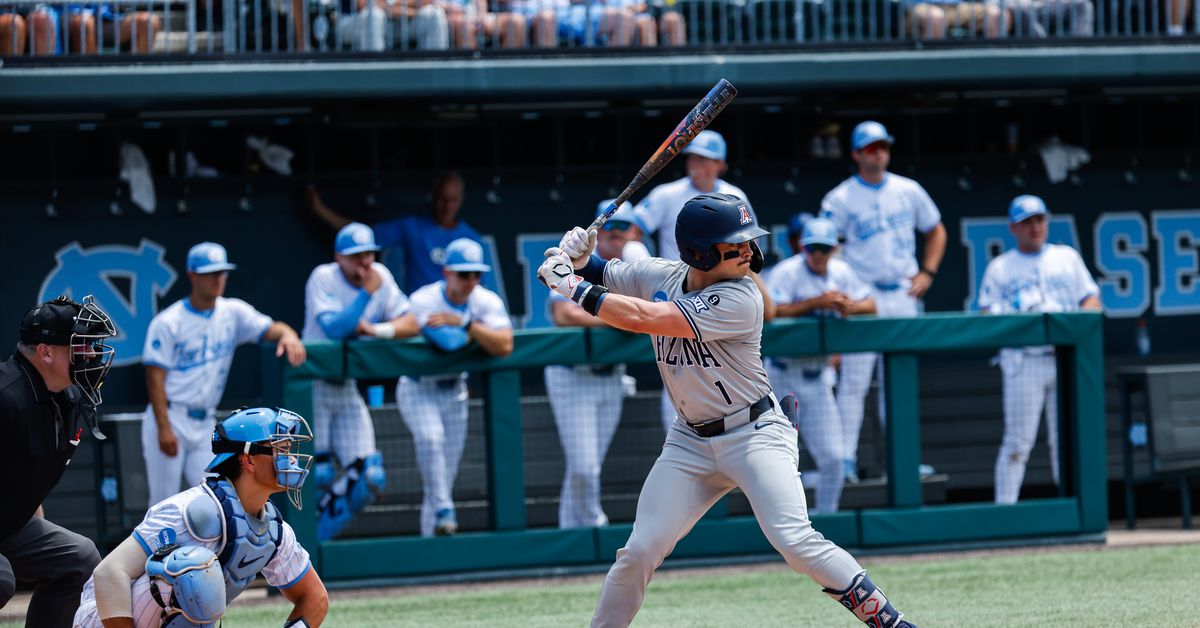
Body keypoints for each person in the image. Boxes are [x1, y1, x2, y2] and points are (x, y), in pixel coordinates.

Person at [540, 193, 916, 628]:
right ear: (699, 252)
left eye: (748, 241)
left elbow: (645, 318)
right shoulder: (658, 273)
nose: (748, 251)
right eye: (733, 244)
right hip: (690, 441)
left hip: (755, 433)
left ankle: (892, 623)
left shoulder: (743, 298)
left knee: (796, 542)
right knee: (639, 551)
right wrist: (582, 259)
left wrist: (572, 286)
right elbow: (604, 273)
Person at [74, 407, 330, 627]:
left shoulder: (274, 531)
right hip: (102, 619)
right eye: (281, 449)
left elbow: (314, 598)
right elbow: (108, 572)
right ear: (249, 460)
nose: (292, 458)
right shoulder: (193, 511)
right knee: (192, 568)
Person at [821, 120, 947, 483]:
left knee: (899, 381)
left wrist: (929, 273)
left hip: (903, 294)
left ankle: (904, 461)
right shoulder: (840, 197)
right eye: (871, 148)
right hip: (864, 297)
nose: (879, 153)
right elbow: (828, 246)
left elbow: (936, 229)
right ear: (857, 154)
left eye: (883, 147)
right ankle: (844, 460)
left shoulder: (908, 189)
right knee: (855, 382)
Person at [142, 242, 307, 508]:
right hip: (172, 415)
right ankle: (157, 551)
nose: (218, 279)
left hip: (205, 419)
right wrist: (164, 427)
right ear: (193, 275)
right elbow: (154, 376)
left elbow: (270, 328)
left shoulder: (233, 312)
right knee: (164, 501)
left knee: (216, 496)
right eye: (210, 273)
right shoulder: (168, 321)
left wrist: (288, 334)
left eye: (222, 272)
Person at [632, 130, 763, 433]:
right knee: (678, 377)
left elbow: (748, 246)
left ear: (720, 164)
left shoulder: (735, 197)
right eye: (694, 157)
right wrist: (650, 273)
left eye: (705, 159)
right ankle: (684, 447)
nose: (697, 164)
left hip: (721, 293)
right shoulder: (666, 194)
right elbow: (634, 233)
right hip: (679, 291)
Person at [0, 295, 114, 628]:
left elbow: (28, 474)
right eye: (81, 347)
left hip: (8, 526)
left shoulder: (69, 397)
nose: (92, 355)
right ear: (45, 351)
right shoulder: (5, 396)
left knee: (79, 559)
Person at [979, 195, 1100, 505]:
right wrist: (1017, 313)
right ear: (1013, 227)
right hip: (1024, 361)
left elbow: (1091, 299)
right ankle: (1004, 512)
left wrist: (1073, 329)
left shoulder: (1066, 257)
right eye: (1026, 222)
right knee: (1018, 442)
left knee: (1067, 442)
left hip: (1064, 360)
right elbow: (986, 317)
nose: (1035, 227)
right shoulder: (1001, 267)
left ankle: (1075, 510)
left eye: (1039, 220)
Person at [302, 222, 420, 540]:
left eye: (369, 254)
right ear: (339, 257)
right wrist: (366, 294)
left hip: (347, 388)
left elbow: (413, 321)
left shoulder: (381, 276)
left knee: (370, 478)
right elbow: (335, 329)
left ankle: (312, 547)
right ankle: (293, 548)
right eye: (356, 256)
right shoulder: (324, 276)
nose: (365, 263)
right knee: (317, 477)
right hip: (311, 388)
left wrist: (379, 330)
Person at [400, 237, 514, 536]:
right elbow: (449, 345)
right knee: (432, 441)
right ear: (447, 273)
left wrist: (465, 323)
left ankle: (431, 541)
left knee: (443, 479)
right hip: (418, 389)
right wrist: (471, 333)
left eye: (476, 274)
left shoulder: (485, 301)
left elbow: (505, 344)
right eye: (464, 274)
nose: (471, 281)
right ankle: (443, 511)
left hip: (455, 392)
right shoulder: (424, 299)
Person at [545, 201, 648, 529]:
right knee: (584, 467)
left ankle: (570, 532)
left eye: (623, 230)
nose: (616, 236)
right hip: (573, 376)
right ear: (598, 233)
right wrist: (619, 316)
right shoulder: (575, 258)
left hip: (611, 376)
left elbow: (652, 307)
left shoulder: (635, 263)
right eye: (610, 230)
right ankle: (595, 525)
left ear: (633, 233)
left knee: (586, 468)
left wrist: (615, 314)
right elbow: (563, 313)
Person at [766, 218, 875, 514]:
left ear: (833, 250)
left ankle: (826, 518)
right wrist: (817, 302)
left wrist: (850, 306)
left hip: (817, 378)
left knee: (834, 459)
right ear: (803, 247)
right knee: (781, 458)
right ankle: (784, 524)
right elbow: (770, 312)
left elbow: (872, 305)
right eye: (812, 248)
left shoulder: (841, 272)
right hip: (781, 376)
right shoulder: (788, 272)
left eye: (824, 249)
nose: (817, 255)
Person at [307, 172, 484, 296]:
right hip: (422, 316)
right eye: (443, 198)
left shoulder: (471, 239)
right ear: (433, 197)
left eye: (453, 200)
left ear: (461, 200)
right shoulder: (412, 227)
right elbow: (360, 236)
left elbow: (479, 288)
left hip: (459, 319)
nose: (447, 206)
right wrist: (320, 210)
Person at [906, 0, 1009, 39]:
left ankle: (992, 70)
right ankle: (937, 71)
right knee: (936, 17)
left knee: (996, 15)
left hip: (955, 5)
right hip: (918, 6)